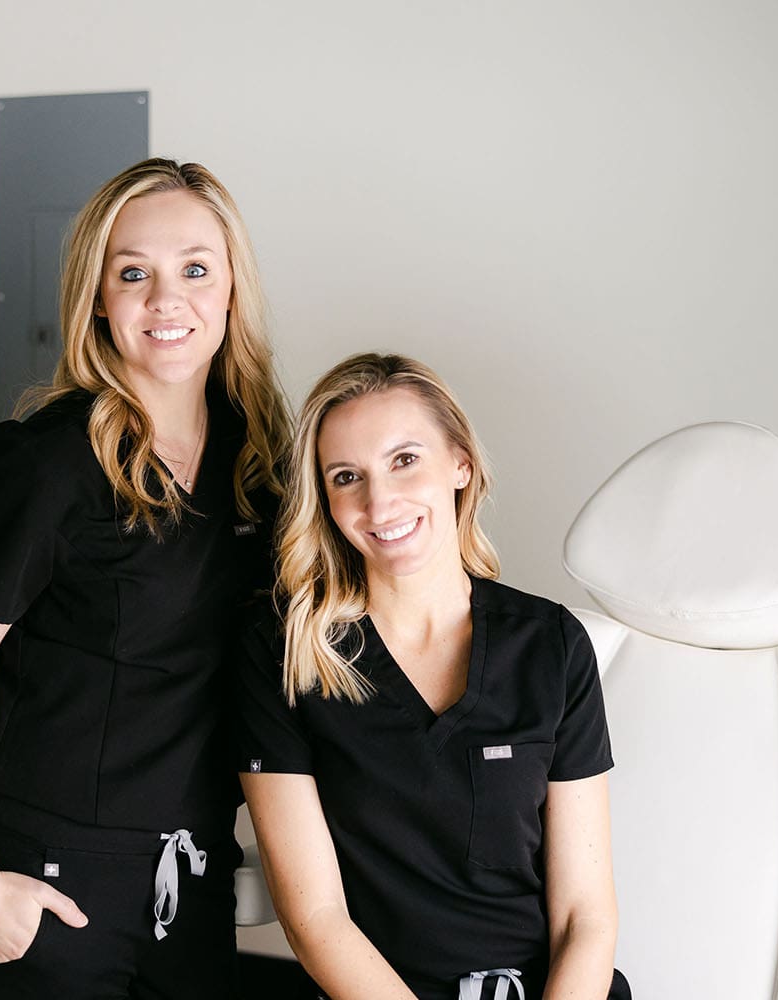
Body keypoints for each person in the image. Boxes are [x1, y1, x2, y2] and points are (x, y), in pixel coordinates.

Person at [0, 158, 290, 999]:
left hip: (190, 887)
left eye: (194, 269)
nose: (164, 299)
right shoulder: (42, 468)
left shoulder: (261, 466)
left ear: (230, 290)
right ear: (98, 297)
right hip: (41, 890)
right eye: (132, 273)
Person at [237, 353, 629, 1000]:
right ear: (326, 501)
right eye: (345, 477)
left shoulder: (552, 647)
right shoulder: (286, 656)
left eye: (404, 459)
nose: (379, 500)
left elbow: (583, 918)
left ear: (460, 463)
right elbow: (316, 921)